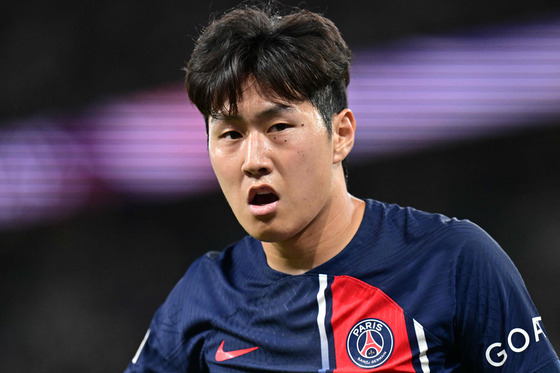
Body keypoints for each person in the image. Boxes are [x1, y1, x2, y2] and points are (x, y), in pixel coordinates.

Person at [125, 2, 560, 372]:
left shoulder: (453, 262)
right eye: (230, 135)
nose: (254, 160)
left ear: (342, 134)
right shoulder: (202, 299)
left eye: (279, 127)